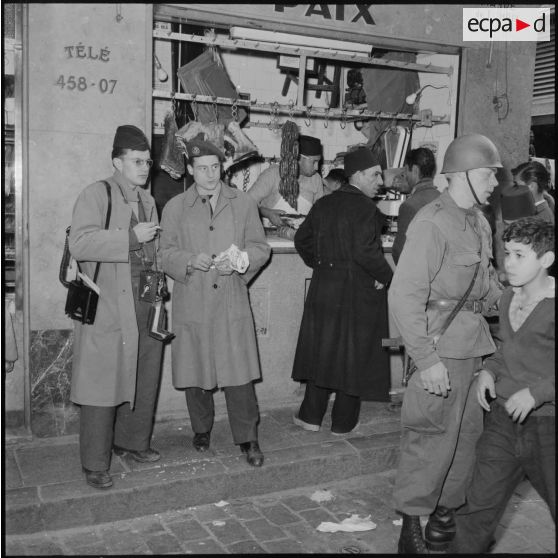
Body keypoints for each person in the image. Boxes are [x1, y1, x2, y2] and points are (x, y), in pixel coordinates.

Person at [388, 133, 504, 553]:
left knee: (467, 438)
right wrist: (427, 358)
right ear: (465, 174)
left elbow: (486, 288)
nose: (495, 183)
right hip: (439, 350)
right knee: (431, 437)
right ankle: (411, 525)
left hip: (474, 347)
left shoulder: (480, 222)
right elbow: (403, 296)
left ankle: (445, 512)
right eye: (489, 175)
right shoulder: (431, 221)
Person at [159, 136, 271, 467]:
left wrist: (240, 262)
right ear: (189, 170)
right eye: (202, 169)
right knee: (196, 371)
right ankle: (201, 429)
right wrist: (190, 260)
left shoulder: (243, 203)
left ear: (222, 167)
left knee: (239, 374)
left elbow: (260, 248)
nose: (210, 175)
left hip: (230, 299)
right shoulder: (175, 208)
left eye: (215, 167)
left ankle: (248, 438)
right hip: (192, 298)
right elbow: (163, 254)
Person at [450, 217, 555, 553]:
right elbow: (507, 349)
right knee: (478, 506)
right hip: (503, 421)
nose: (508, 262)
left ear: (546, 260)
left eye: (520, 255)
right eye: (507, 253)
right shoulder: (509, 298)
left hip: (549, 426)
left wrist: (537, 393)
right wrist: (489, 371)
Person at [69, 125, 164, 489]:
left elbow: (152, 251)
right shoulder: (97, 193)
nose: (145, 167)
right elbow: (80, 243)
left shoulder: (147, 200)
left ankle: (132, 443)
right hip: (109, 303)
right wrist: (128, 237)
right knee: (102, 384)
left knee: (143, 373)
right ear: (116, 162)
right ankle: (95, 462)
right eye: (137, 161)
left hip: (143, 301)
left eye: (147, 161)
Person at [291, 147, 394, 434]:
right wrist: (388, 278)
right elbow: (366, 253)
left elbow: (302, 240)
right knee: (352, 354)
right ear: (358, 175)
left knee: (322, 351)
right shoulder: (367, 210)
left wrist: (322, 266)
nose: (380, 181)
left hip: (324, 289)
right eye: (375, 175)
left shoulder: (324, 204)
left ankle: (310, 417)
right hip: (355, 292)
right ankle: (343, 422)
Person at [248, 135, 324, 225]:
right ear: (298, 158)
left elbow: (321, 212)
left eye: (318, 162)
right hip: (270, 234)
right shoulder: (273, 174)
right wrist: (267, 213)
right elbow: (247, 203)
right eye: (314, 162)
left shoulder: (316, 179)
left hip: (301, 235)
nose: (317, 167)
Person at [391, 147, 439, 265]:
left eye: (406, 170)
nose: (405, 175)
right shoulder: (444, 199)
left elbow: (400, 252)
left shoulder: (409, 206)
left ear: (415, 170)